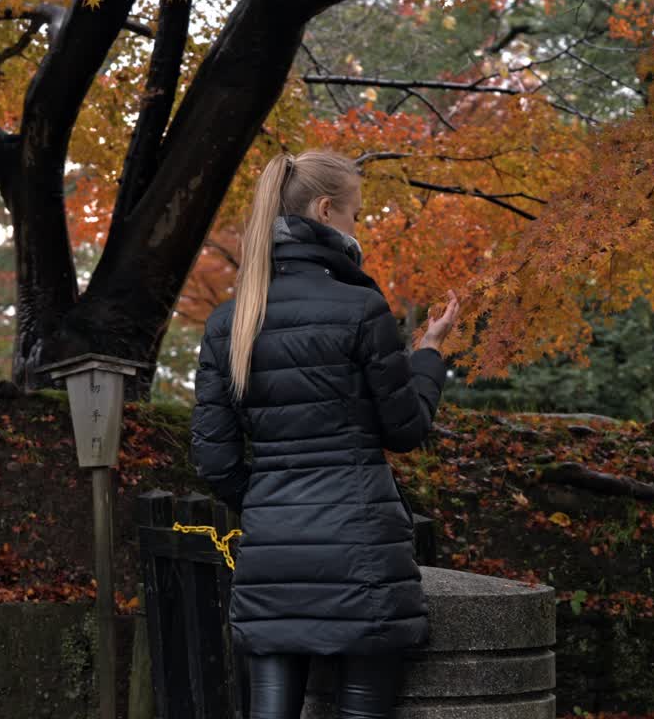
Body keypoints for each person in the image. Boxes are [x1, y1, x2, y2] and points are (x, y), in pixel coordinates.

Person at [189, 149, 461, 719]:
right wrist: (430, 355)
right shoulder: (361, 309)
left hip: (272, 555)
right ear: (324, 209)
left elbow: (215, 460)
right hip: (361, 551)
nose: (357, 226)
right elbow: (404, 429)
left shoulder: (229, 323)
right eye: (355, 214)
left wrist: (269, 504)